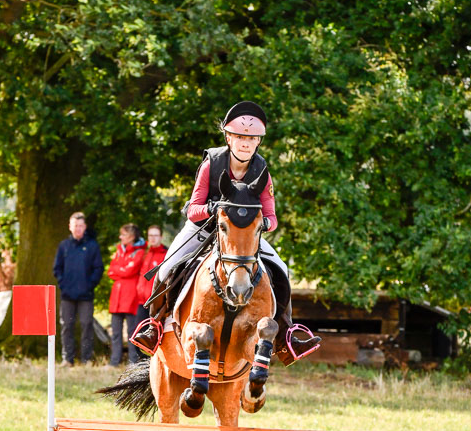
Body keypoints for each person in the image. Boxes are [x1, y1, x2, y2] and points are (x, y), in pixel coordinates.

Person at [134, 101, 321, 365]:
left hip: (242, 236)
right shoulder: (211, 162)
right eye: (240, 137)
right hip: (203, 228)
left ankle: (287, 335)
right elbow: (192, 209)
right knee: (167, 266)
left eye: (252, 138)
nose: (245, 143)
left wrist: (264, 225)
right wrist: (212, 208)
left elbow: (272, 216)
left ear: (258, 142)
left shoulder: (262, 170)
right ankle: (153, 327)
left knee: (280, 268)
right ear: (228, 138)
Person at [53, 211, 104, 368]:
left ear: (85, 227)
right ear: (70, 227)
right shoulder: (64, 246)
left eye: (81, 226)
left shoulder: (92, 246)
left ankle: (86, 359)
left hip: (86, 296)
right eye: (75, 226)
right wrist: (63, 283)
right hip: (67, 295)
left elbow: (98, 269)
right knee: (66, 326)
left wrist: (89, 285)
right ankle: (67, 359)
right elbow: (57, 268)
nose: (78, 229)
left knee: (86, 325)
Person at [107, 224, 146, 366]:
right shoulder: (119, 251)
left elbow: (129, 271)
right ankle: (114, 361)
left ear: (131, 237)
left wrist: (119, 270)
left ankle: (133, 361)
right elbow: (111, 270)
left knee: (131, 331)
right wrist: (121, 270)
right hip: (117, 297)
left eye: (123, 235)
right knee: (116, 332)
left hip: (130, 297)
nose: (120, 237)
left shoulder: (140, 252)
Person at [136, 225, 168, 325]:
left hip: (156, 303)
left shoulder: (166, 254)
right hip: (141, 302)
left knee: (155, 333)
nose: (153, 238)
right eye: (150, 235)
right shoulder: (144, 252)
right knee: (139, 334)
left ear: (161, 237)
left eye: (155, 235)